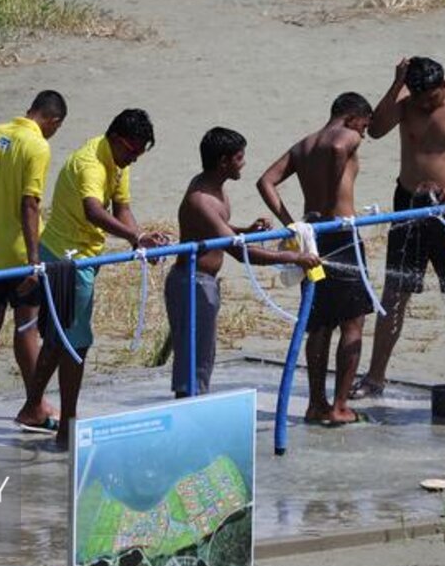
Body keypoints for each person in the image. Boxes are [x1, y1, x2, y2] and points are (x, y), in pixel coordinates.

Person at [354, 57, 445, 407]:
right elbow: (374, 130)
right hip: (409, 205)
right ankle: (375, 377)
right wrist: (396, 85)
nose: (425, 105)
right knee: (394, 294)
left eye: (431, 98)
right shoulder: (405, 106)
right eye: (419, 97)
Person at [26, 108, 168, 449]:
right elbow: (94, 210)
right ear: (118, 140)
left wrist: (142, 240)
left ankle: (31, 406)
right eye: (132, 152)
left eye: (139, 155)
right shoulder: (89, 163)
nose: (134, 160)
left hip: (85, 255)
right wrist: (134, 239)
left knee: (60, 340)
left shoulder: (118, 163)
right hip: (66, 259)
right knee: (77, 345)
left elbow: (121, 208)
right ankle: (67, 429)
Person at [166, 128, 322, 397]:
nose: (244, 163)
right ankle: (188, 413)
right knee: (194, 362)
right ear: (223, 162)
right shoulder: (201, 199)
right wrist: (293, 257)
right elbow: (240, 253)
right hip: (191, 283)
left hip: (204, 282)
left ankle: (195, 404)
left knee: (203, 356)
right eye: (239, 158)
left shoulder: (216, 189)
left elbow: (219, 232)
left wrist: (248, 230)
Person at [257, 92, 376, 426]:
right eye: (364, 126)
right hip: (340, 237)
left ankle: (316, 403)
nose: (363, 135)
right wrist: (326, 204)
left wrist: (292, 222)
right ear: (353, 117)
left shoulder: (304, 145)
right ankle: (339, 406)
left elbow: (265, 181)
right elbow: (340, 147)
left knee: (319, 323)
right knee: (353, 322)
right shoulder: (346, 136)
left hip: (312, 239)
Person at [0, 90, 67, 429]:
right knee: (27, 328)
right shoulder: (38, 146)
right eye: (56, 129)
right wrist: (34, 261)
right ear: (53, 121)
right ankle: (36, 404)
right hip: (20, 256)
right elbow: (30, 203)